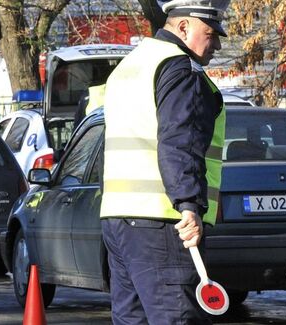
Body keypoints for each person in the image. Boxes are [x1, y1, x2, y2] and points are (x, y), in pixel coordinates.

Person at [100, 0, 230, 323]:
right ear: (183, 26)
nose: (215, 44)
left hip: (117, 221)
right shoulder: (180, 68)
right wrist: (189, 205)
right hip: (163, 223)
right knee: (178, 316)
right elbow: (179, 140)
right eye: (210, 33)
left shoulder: (128, 67)